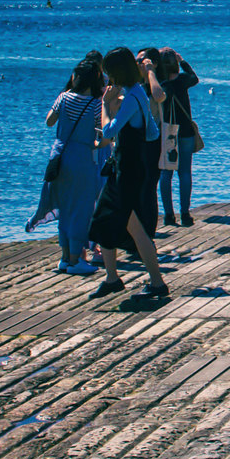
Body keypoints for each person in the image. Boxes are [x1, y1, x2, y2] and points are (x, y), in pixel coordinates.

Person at [86, 47, 169, 300]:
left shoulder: (132, 98)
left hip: (127, 171)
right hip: (126, 167)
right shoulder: (136, 94)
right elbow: (152, 132)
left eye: (109, 73)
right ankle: (112, 278)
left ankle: (157, 282)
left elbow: (109, 130)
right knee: (103, 221)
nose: (108, 79)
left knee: (135, 227)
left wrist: (105, 105)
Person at [44, 55, 106, 274]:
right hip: (83, 158)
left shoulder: (63, 97)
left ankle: (63, 258)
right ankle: (75, 260)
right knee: (82, 209)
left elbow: (49, 121)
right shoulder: (96, 104)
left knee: (64, 207)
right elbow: (102, 135)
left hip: (59, 155)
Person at [154, 48, 201, 227]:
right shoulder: (183, 81)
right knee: (185, 173)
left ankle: (168, 215)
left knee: (166, 174)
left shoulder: (160, 84)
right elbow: (194, 77)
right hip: (186, 131)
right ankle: (185, 213)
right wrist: (182, 61)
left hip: (168, 131)